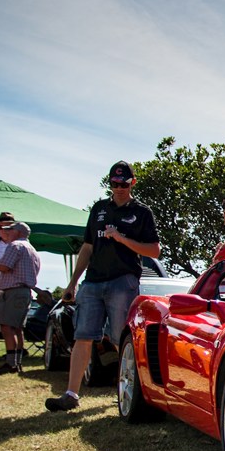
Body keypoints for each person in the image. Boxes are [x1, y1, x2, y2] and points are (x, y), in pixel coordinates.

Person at [45, 161, 161, 412]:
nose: (119, 188)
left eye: (124, 184)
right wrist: (72, 282)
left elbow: (154, 250)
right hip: (93, 282)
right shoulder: (99, 209)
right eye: (114, 183)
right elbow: (87, 247)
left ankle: (132, 392)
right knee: (83, 336)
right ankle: (71, 394)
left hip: (123, 281)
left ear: (133, 183)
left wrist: (121, 238)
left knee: (121, 338)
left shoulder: (142, 212)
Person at [0, 222, 41, 374]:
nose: (7, 233)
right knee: (17, 328)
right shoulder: (32, 249)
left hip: (14, 292)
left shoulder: (15, 245)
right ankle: (17, 361)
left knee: (7, 326)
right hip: (25, 292)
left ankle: (11, 363)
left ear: (17, 232)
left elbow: (5, 267)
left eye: (10, 230)